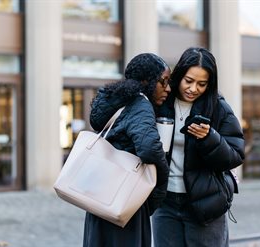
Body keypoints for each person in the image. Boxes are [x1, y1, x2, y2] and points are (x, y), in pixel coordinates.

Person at [152, 47, 245, 247]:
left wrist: (210, 138)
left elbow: (235, 155)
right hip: (165, 202)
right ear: (179, 75)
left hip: (204, 204)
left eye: (202, 84)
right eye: (189, 81)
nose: (193, 89)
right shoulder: (161, 102)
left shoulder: (218, 108)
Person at [83, 53, 171, 247]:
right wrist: (163, 176)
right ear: (147, 81)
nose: (168, 89)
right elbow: (149, 148)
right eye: (163, 82)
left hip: (99, 196)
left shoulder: (121, 100)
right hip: (124, 198)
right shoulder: (140, 105)